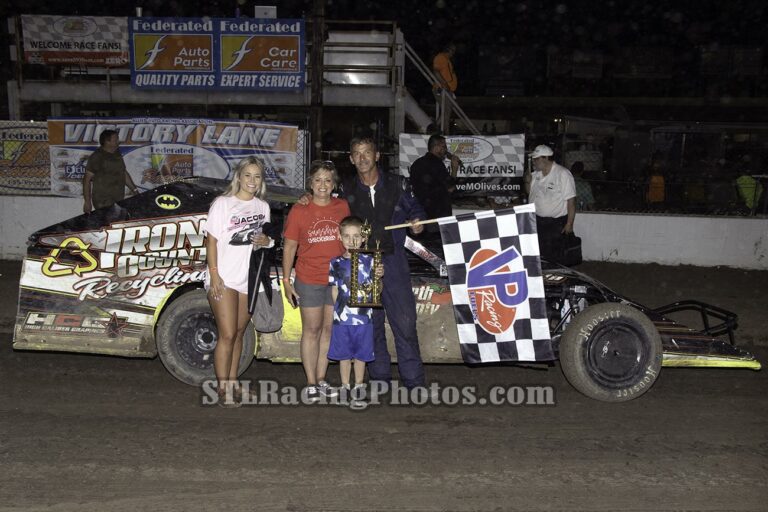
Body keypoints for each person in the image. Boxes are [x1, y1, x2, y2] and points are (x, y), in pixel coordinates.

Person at [343, 137, 426, 391]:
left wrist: (417, 220)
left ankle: (413, 382)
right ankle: (379, 380)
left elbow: (417, 209)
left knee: (405, 323)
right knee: (371, 325)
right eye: (357, 154)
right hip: (362, 263)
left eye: (367, 152)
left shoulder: (398, 183)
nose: (362, 158)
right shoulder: (346, 189)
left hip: (394, 261)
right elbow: (328, 211)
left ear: (377, 156)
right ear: (351, 159)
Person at [204, 156, 274, 407]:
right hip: (223, 278)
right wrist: (214, 275)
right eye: (248, 175)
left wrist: (267, 242)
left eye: (257, 176)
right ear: (239, 177)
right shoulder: (223, 204)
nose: (252, 181)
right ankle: (222, 390)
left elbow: (266, 241)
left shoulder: (262, 207)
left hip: (248, 280)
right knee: (227, 334)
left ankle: (233, 383)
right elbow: (211, 241)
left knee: (240, 333)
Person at [283, 161, 350, 403]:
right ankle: (310, 382)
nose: (323, 185)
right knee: (311, 330)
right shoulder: (300, 210)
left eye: (328, 180)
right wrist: (286, 279)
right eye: (318, 180)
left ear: (334, 184)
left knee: (328, 330)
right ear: (310, 184)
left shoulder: (342, 206)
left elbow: (350, 239)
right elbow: (290, 246)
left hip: (335, 279)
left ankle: (321, 379)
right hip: (308, 278)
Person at [328, 215, 384, 407]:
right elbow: (334, 289)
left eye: (356, 236)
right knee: (344, 355)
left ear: (363, 238)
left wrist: (378, 277)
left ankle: (358, 386)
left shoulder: (370, 261)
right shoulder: (334, 262)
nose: (352, 240)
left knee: (361, 355)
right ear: (340, 237)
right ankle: (345, 386)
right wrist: (338, 313)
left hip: (364, 318)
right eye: (347, 236)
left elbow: (378, 290)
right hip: (342, 319)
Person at [526, 144, 576, 265]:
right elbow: (530, 193)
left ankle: (555, 277)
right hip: (537, 220)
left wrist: (569, 224)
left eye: (536, 159)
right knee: (539, 252)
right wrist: (527, 181)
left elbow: (571, 201)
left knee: (554, 254)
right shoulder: (536, 174)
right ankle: (543, 276)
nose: (534, 162)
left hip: (556, 223)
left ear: (546, 158)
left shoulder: (562, 173)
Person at [409, 134, 460, 235]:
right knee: (439, 246)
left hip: (420, 213)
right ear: (436, 147)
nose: (446, 150)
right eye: (444, 147)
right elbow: (450, 187)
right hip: (438, 215)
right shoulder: (437, 164)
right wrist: (454, 169)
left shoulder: (417, 163)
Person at [83, 129, 138, 213]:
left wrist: (134, 190)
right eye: (115, 139)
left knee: (117, 222)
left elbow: (123, 172)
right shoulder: (97, 157)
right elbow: (86, 180)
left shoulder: (117, 153)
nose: (118, 141)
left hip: (118, 199)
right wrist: (87, 202)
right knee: (110, 222)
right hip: (102, 200)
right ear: (107, 142)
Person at [432, 43, 458, 134]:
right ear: (448, 50)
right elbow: (436, 72)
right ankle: (445, 133)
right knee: (446, 112)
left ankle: (435, 128)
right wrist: (444, 84)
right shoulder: (440, 57)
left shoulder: (447, 60)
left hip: (447, 90)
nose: (454, 53)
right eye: (453, 50)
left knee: (446, 112)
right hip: (442, 90)